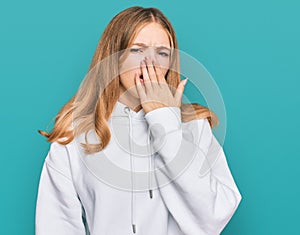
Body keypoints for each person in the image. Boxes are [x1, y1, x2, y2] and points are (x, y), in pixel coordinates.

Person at [35, 6, 242, 235]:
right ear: (114, 58)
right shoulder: (73, 135)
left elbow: (213, 216)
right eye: (137, 50)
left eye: (162, 53)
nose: (150, 62)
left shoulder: (195, 127)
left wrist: (165, 122)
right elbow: (56, 225)